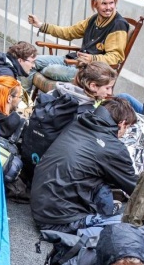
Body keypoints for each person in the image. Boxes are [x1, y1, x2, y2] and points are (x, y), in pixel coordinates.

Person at [30, 100, 138, 234]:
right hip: (59, 221)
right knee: (130, 229)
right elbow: (136, 187)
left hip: (39, 207)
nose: (125, 132)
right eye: (127, 128)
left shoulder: (78, 121)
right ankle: (99, 218)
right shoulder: (114, 147)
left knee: (99, 180)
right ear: (122, 123)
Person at [27, 0, 130, 83]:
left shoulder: (118, 25)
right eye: (104, 3)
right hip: (75, 62)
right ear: (95, 4)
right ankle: (23, 99)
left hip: (92, 72)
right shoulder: (94, 19)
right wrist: (41, 25)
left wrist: (92, 58)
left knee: (50, 70)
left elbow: (115, 57)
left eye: (111, 3)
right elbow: (69, 32)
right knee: (31, 61)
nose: (108, 7)